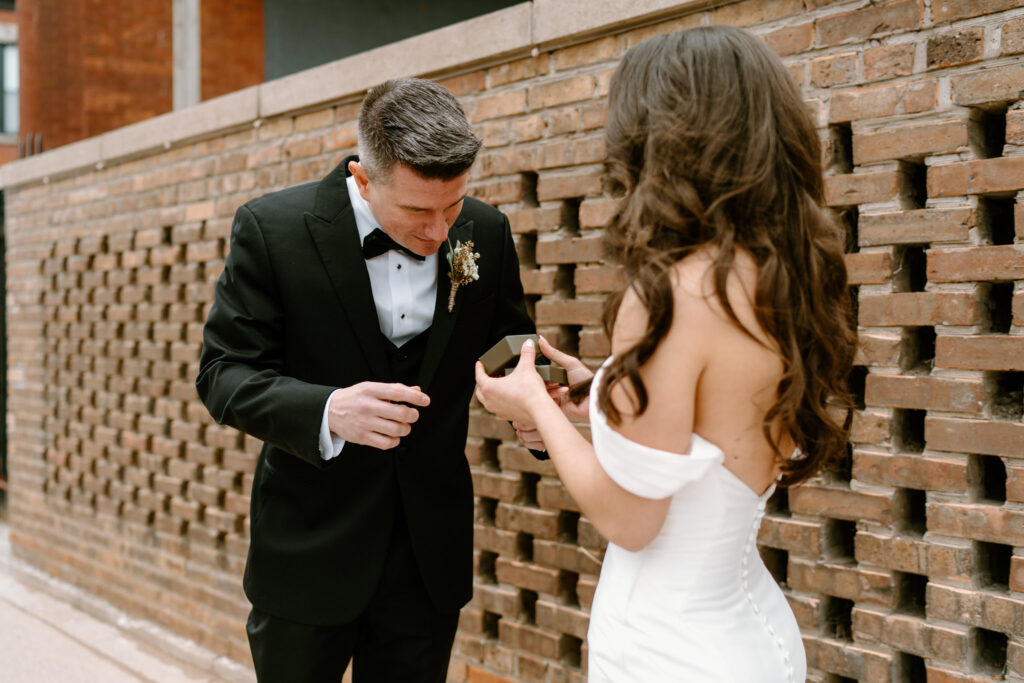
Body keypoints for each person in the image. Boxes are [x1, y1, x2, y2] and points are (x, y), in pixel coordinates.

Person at [474, 26, 857, 682]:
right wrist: (601, 399)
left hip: (668, 648)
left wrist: (534, 401)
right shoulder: (787, 274)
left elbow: (632, 519)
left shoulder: (670, 291)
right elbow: (710, 434)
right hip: (755, 638)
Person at [196, 78, 538, 682]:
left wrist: (535, 405)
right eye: (416, 211)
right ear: (361, 177)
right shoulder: (272, 230)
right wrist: (328, 410)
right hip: (308, 551)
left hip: (427, 557)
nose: (439, 232)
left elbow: (505, 346)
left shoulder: (486, 232)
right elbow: (224, 375)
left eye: (452, 206)